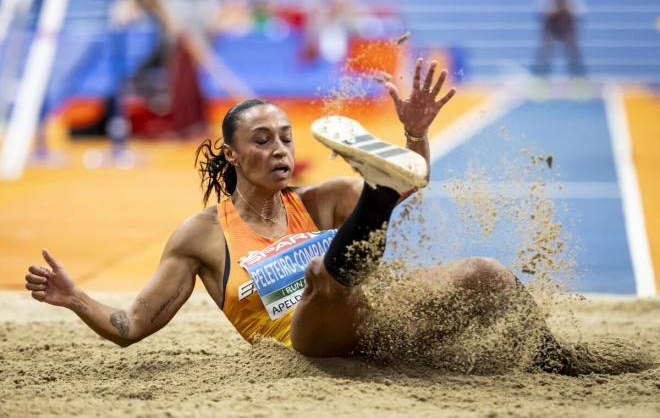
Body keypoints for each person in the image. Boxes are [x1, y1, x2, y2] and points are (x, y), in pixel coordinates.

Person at [24, 58, 573, 373]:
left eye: (287, 138)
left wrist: (415, 134)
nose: (281, 150)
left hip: (380, 332)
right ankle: (373, 197)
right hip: (306, 343)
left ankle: (560, 364)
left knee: (486, 274)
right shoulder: (202, 236)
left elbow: (415, 185)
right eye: (262, 141)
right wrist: (76, 298)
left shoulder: (319, 199)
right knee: (321, 280)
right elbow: (132, 327)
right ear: (233, 156)